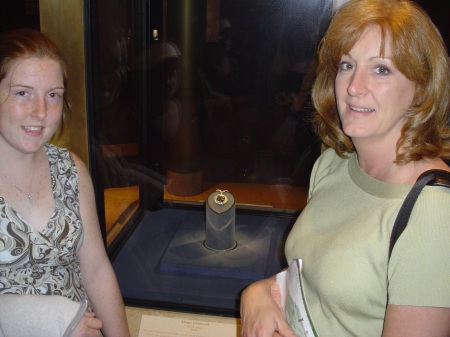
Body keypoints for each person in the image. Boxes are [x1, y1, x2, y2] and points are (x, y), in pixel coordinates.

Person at [240, 0, 450, 336]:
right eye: (347, 65)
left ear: (421, 89)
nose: (354, 87)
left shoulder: (433, 214)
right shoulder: (333, 164)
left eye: (381, 69)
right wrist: (257, 295)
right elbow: (314, 284)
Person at [0, 28, 130, 336]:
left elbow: (97, 271)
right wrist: (51, 320)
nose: (40, 112)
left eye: (53, 95)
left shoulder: (71, 168)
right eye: (23, 93)